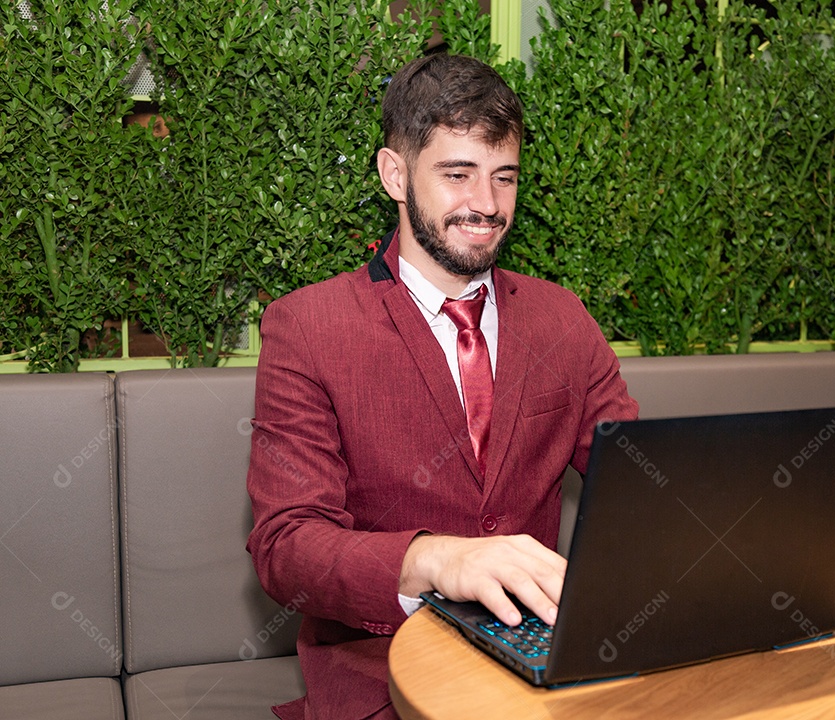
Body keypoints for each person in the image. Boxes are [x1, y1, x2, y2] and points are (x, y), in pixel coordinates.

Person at [246, 52, 639, 720]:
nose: (486, 205)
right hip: (382, 684)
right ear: (394, 174)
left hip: (543, 673)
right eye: (458, 175)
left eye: (504, 178)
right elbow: (287, 547)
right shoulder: (306, 328)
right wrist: (432, 560)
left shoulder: (562, 319)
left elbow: (636, 477)